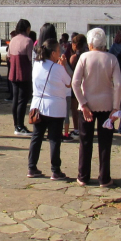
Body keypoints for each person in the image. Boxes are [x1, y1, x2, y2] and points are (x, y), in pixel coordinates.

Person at [72, 28, 121, 188]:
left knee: (85, 142)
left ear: (90, 43)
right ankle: (104, 178)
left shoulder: (84, 57)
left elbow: (75, 83)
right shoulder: (112, 59)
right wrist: (116, 107)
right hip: (107, 105)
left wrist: (83, 103)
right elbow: (118, 85)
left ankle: (83, 176)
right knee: (105, 143)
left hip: (86, 105)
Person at [27, 39, 72, 180]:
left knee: (37, 137)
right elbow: (69, 83)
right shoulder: (58, 68)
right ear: (53, 53)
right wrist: (63, 66)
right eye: (59, 51)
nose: (60, 53)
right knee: (54, 139)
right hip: (55, 107)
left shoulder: (36, 65)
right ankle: (55, 170)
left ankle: (32, 167)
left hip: (38, 106)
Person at [8, 19, 35, 136]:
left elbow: (9, 56)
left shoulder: (13, 40)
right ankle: (20, 126)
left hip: (13, 72)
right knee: (23, 100)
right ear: (27, 28)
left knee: (15, 99)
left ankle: (16, 125)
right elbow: (31, 59)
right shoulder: (28, 41)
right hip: (24, 72)